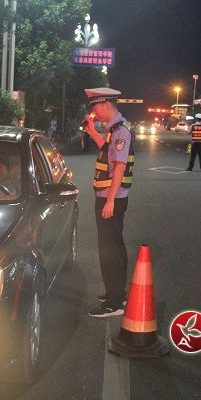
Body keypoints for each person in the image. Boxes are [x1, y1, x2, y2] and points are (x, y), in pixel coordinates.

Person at [83, 87, 134, 318]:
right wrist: (93, 131)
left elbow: (120, 167)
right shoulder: (114, 129)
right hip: (108, 198)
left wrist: (110, 201)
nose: (94, 112)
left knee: (109, 250)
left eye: (95, 107)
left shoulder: (120, 131)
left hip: (111, 199)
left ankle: (115, 303)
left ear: (106, 104)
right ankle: (116, 293)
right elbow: (107, 151)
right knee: (113, 246)